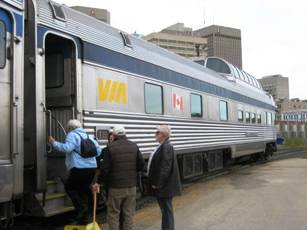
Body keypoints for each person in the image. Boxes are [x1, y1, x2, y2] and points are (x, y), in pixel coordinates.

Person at [48, 119, 102, 225]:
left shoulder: (72, 135)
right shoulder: (88, 136)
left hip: (78, 168)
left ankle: (82, 209)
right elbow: (98, 151)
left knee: (70, 187)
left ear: (70, 128)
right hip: (91, 168)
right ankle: (86, 216)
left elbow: (67, 148)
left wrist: (54, 143)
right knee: (84, 189)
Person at [92, 126, 145, 230]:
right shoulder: (134, 146)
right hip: (131, 187)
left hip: (115, 187)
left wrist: (98, 182)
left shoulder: (110, 148)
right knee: (129, 214)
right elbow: (141, 165)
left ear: (114, 135)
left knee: (113, 214)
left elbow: (105, 169)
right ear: (125, 134)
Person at [148, 125, 182, 230]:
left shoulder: (166, 147)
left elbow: (165, 168)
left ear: (162, 134)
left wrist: (158, 184)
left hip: (165, 187)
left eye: (157, 132)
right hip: (164, 186)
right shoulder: (164, 146)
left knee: (167, 211)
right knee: (166, 210)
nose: (155, 135)